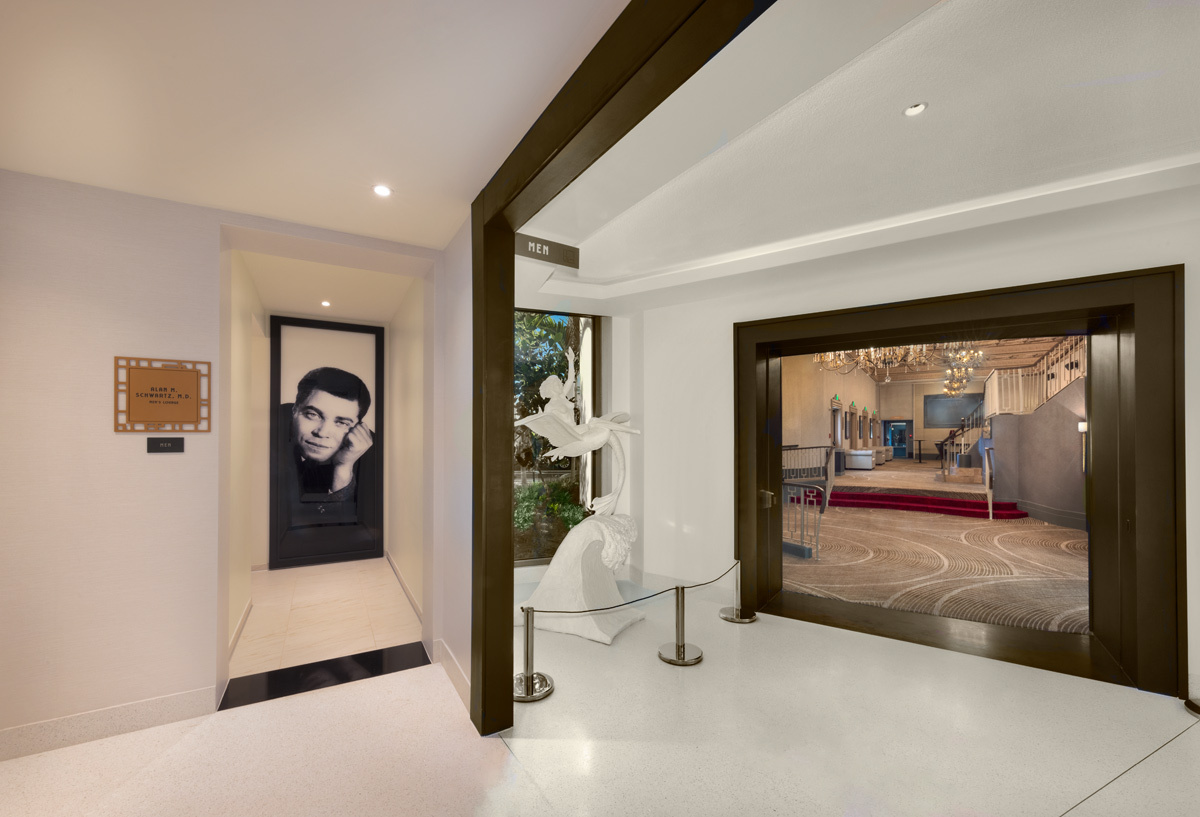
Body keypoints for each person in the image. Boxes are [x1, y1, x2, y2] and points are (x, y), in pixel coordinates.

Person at [283, 367, 374, 527]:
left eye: (341, 422)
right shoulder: (265, 437)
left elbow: (345, 531)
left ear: (358, 428)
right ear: (294, 410)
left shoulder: (371, 453)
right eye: (313, 415)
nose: (322, 433)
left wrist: (343, 467)